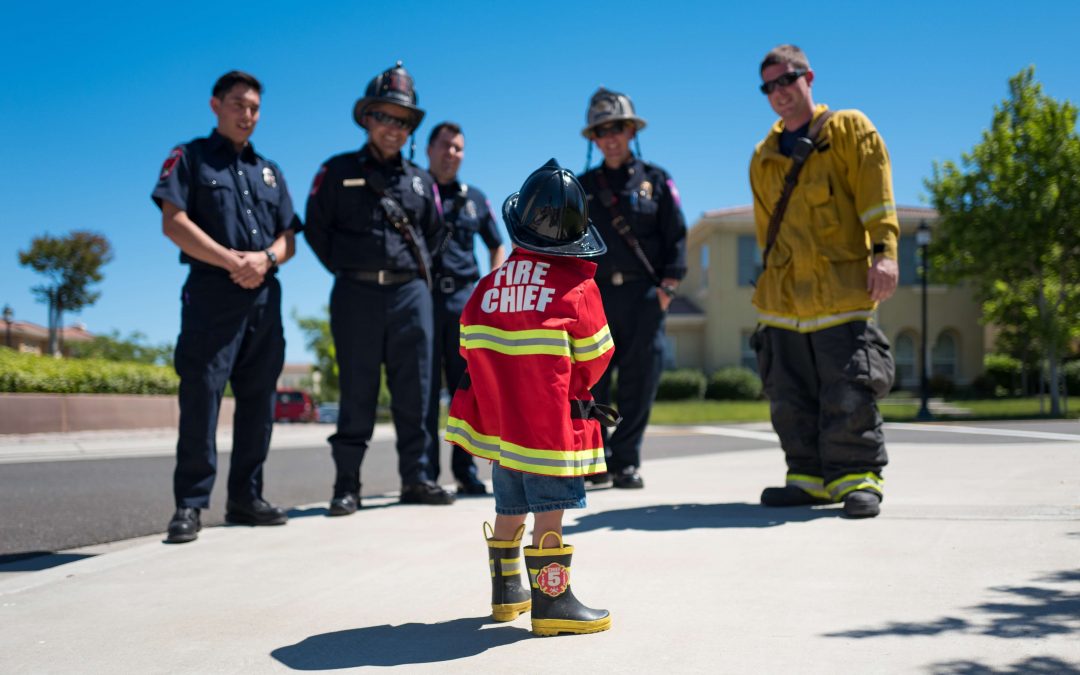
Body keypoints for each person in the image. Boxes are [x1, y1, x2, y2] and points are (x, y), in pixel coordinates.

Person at [446, 158, 617, 637]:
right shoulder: (578, 288)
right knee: (550, 512)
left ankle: (507, 595)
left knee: (508, 508)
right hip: (549, 431)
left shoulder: (487, 286)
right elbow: (596, 358)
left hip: (504, 433)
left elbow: (467, 348)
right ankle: (553, 602)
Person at [748, 44, 899, 519]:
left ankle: (858, 477)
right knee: (789, 396)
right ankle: (808, 478)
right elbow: (763, 232)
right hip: (784, 302)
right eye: (769, 86)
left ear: (808, 77)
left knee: (849, 388)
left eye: (787, 80)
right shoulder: (763, 156)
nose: (780, 92)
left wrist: (885, 254)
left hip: (841, 294)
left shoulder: (850, 130)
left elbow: (877, 200)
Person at [152, 70, 300, 544]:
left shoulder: (269, 170)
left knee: (259, 403)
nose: (247, 114)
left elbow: (289, 238)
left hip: (263, 295)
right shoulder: (191, 158)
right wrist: (232, 261)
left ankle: (245, 499)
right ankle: (190, 505)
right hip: (212, 292)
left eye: (254, 107)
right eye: (238, 104)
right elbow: (173, 222)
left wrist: (265, 259)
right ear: (216, 105)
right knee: (202, 396)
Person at [304, 61, 454, 514]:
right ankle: (346, 485)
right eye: (384, 116)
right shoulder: (335, 171)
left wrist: (408, 274)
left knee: (418, 391)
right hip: (356, 294)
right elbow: (316, 231)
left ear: (411, 127)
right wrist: (353, 268)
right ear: (367, 117)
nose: (393, 127)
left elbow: (436, 233)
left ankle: (419, 478)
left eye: (402, 119)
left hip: (411, 295)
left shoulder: (421, 180)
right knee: (357, 390)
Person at [577, 88, 687, 489]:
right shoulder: (582, 188)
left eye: (617, 128)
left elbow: (676, 236)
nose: (610, 137)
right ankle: (600, 457)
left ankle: (627, 460)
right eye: (602, 130)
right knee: (595, 384)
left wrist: (667, 289)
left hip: (644, 296)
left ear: (630, 131)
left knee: (640, 380)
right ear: (593, 137)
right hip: (597, 299)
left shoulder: (656, 181)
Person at [423, 121, 506, 495]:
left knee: (465, 390)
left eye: (458, 148)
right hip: (422, 299)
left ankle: (465, 470)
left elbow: (495, 243)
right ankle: (423, 474)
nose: (451, 153)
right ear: (429, 149)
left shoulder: (474, 196)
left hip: (464, 299)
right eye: (445, 146)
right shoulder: (415, 188)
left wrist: (493, 289)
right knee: (422, 389)